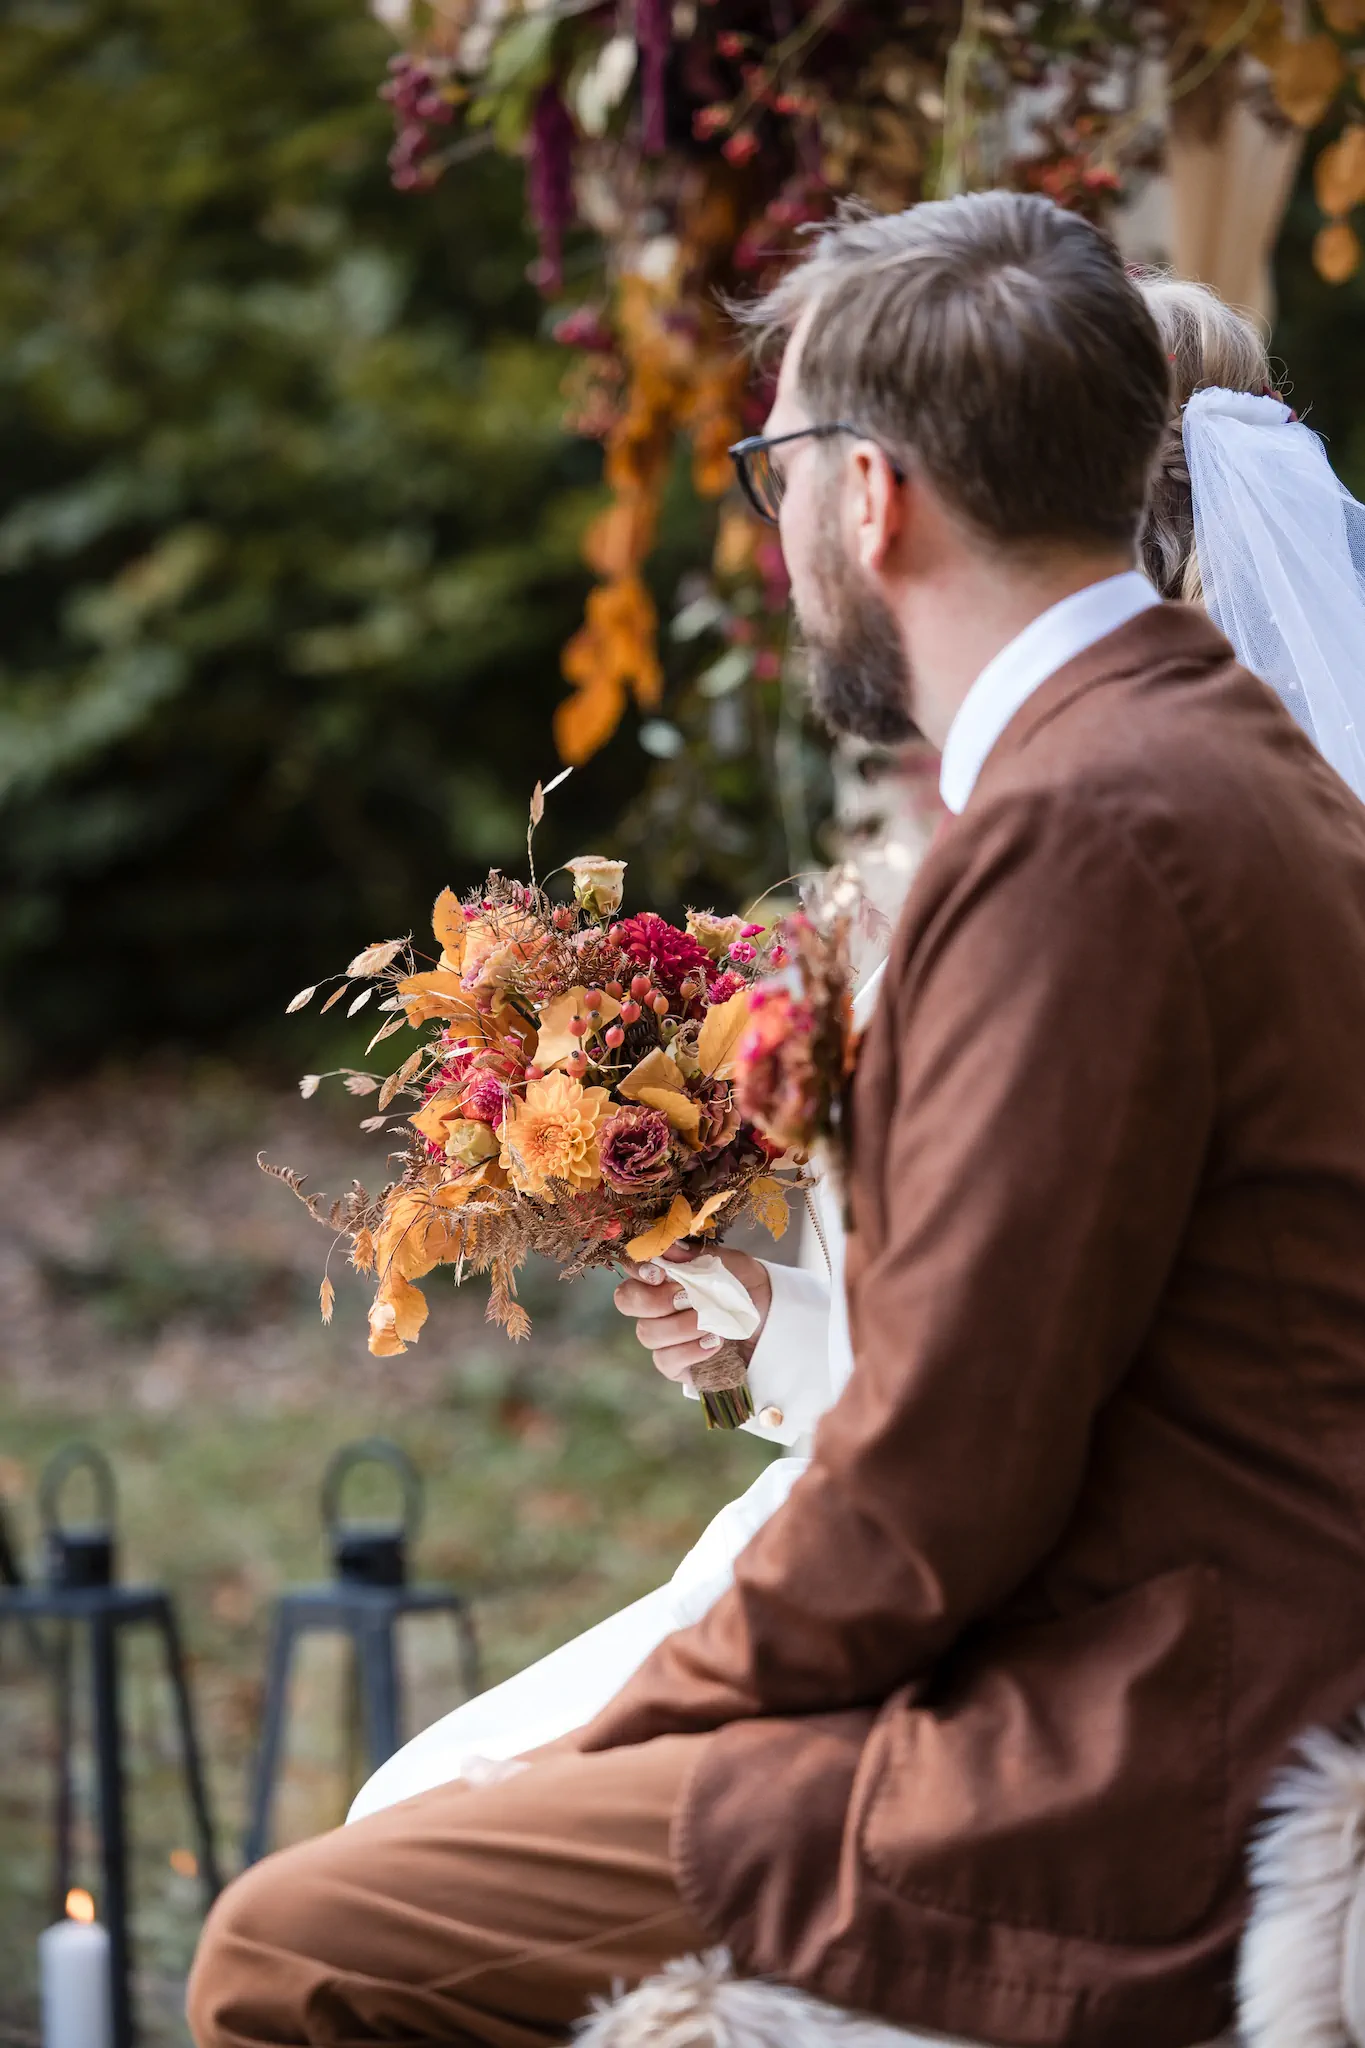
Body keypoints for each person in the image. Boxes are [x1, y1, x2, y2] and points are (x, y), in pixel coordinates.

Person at [188, 193, 1365, 2048]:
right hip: (1159, 1647)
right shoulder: (1201, 755)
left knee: (289, 1950)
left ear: (872, 495)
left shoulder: (1085, 833)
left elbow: (932, 1490)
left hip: (1121, 1746)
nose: (779, 533)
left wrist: (617, 1741)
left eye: (775, 470)